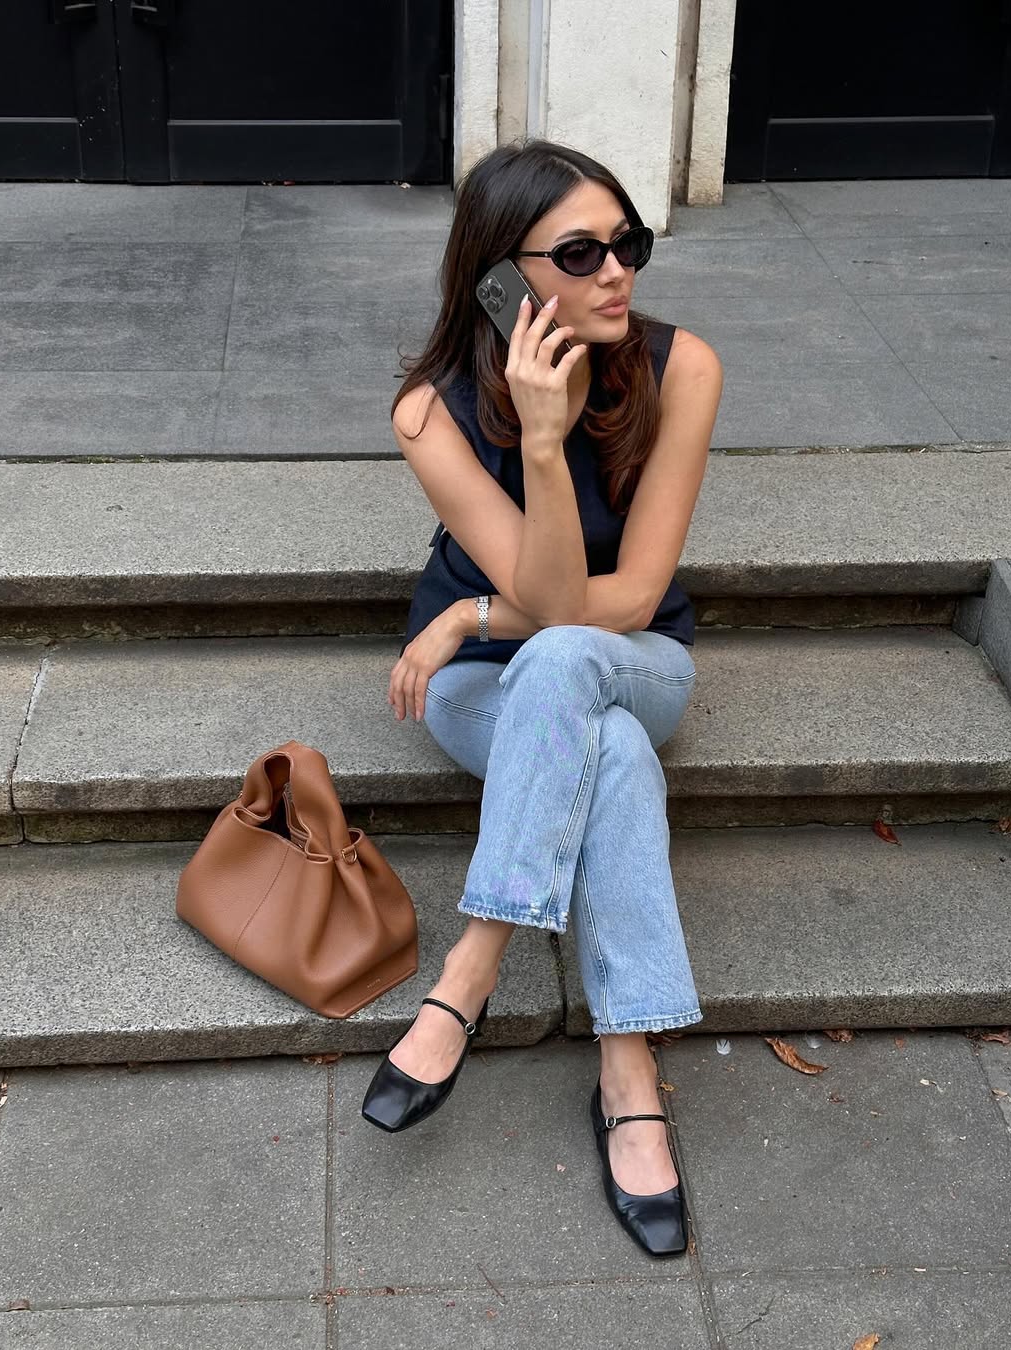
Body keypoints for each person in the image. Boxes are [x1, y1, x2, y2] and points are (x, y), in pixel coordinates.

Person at [360, 138, 723, 1258]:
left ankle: (468, 971)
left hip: (634, 660)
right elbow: (560, 604)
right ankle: (629, 1071)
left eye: (629, 243)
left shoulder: (684, 368)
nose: (617, 272)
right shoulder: (428, 414)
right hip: (482, 694)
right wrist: (541, 437)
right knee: (609, 752)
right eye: (580, 253)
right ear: (500, 278)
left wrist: (467, 613)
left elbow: (625, 600)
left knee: (572, 667)